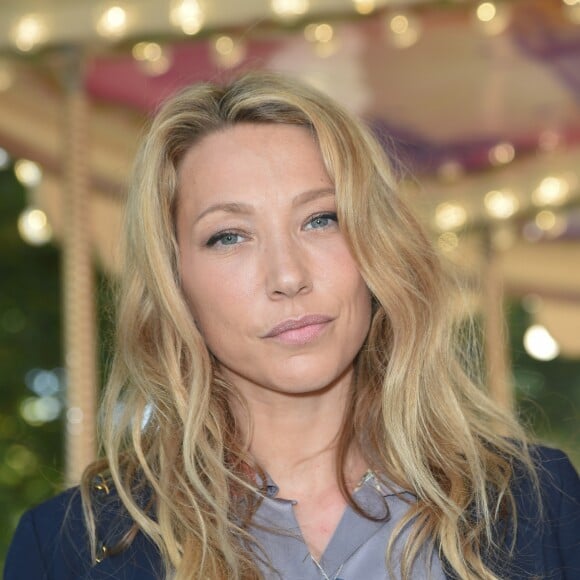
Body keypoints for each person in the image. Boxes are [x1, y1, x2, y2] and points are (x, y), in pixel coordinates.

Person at [5, 72, 580, 580]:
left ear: (376, 246)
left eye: (320, 219)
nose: (287, 275)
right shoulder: (72, 549)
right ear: (173, 282)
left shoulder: (537, 502)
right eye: (229, 236)